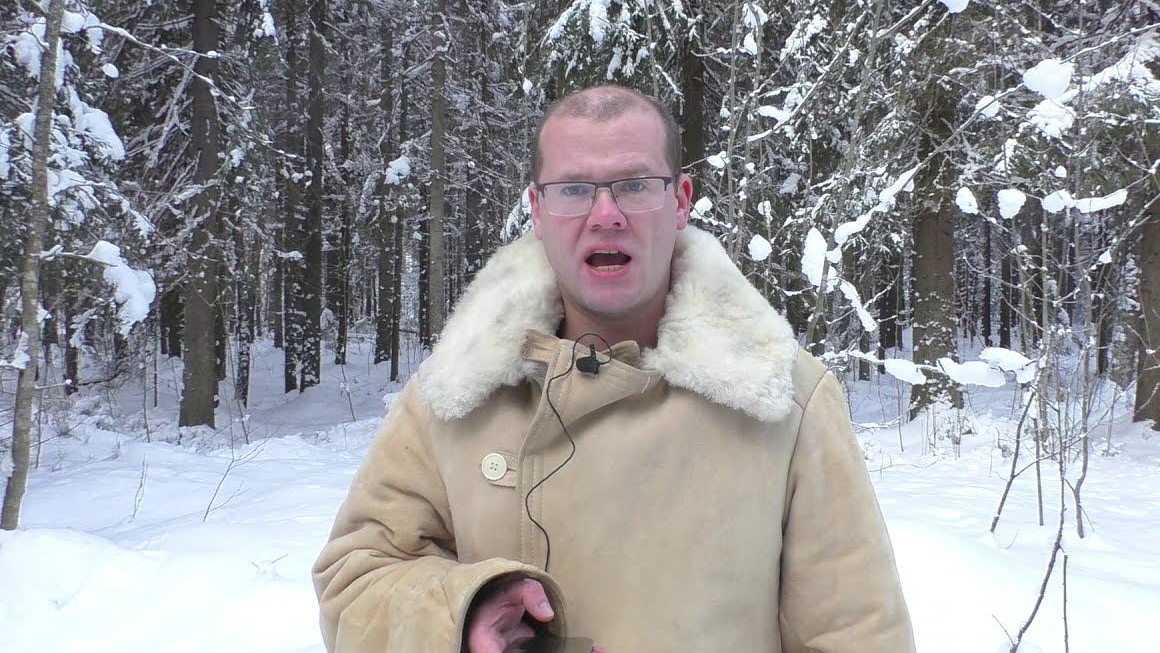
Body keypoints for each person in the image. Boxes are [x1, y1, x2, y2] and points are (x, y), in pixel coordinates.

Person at [312, 85, 915, 653]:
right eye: (573, 189)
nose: (605, 215)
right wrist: (461, 611)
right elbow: (355, 579)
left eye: (634, 184)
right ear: (537, 209)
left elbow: (857, 635)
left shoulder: (786, 399)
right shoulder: (456, 389)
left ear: (680, 201)